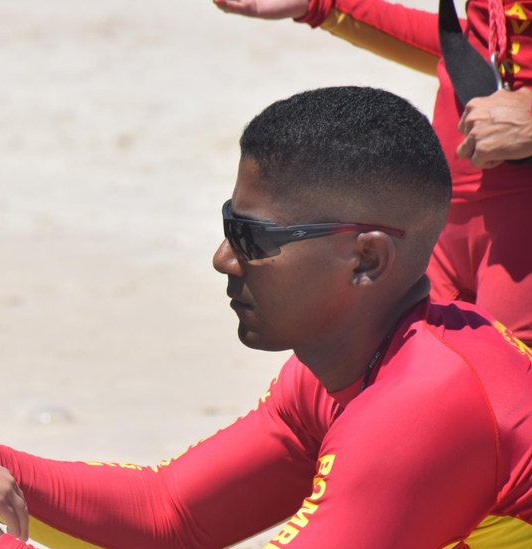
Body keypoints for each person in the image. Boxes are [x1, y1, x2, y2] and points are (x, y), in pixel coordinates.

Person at [0, 86, 532, 549]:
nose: (223, 258)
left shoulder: (428, 406)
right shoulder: (355, 363)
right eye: (228, 224)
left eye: (254, 238)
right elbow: (169, 513)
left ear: (366, 258)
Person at [211, 0, 532, 348]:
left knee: (505, 377)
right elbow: (475, 50)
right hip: (443, 227)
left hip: (519, 244)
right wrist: (322, 6)